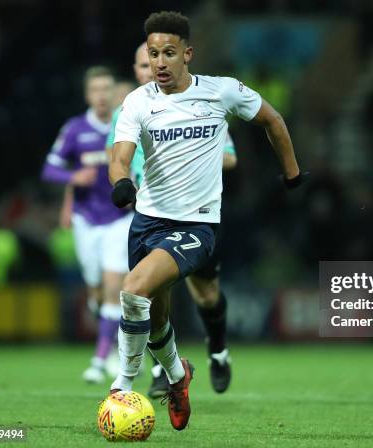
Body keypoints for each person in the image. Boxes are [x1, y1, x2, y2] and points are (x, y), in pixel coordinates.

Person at [108, 11, 304, 431]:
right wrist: (122, 181)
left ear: (187, 54)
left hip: (195, 227)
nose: (160, 62)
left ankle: (122, 385)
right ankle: (179, 377)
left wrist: (292, 172)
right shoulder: (139, 101)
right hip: (146, 222)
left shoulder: (221, 92)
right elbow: (120, 154)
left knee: (132, 291)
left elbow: (273, 119)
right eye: (154, 54)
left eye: (169, 54)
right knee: (156, 318)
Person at [104, 42, 239, 398]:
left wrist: (190, 161)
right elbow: (114, 160)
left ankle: (218, 351)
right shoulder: (130, 110)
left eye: (161, 60)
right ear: (137, 69)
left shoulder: (200, 106)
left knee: (205, 295)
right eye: (145, 63)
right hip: (151, 218)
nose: (152, 68)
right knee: (147, 293)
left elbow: (229, 157)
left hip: (195, 215)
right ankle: (165, 373)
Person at [42, 66, 132, 384]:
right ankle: (110, 343)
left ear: (113, 92)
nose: (102, 95)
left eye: (106, 88)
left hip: (119, 218)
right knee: (95, 290)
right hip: (85, 220)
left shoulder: (127, 126)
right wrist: (72, 178)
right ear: (87, 95)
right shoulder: (75, 129)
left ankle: (98, 359)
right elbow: (49, 168)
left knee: (113, 288)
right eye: (95, 90)